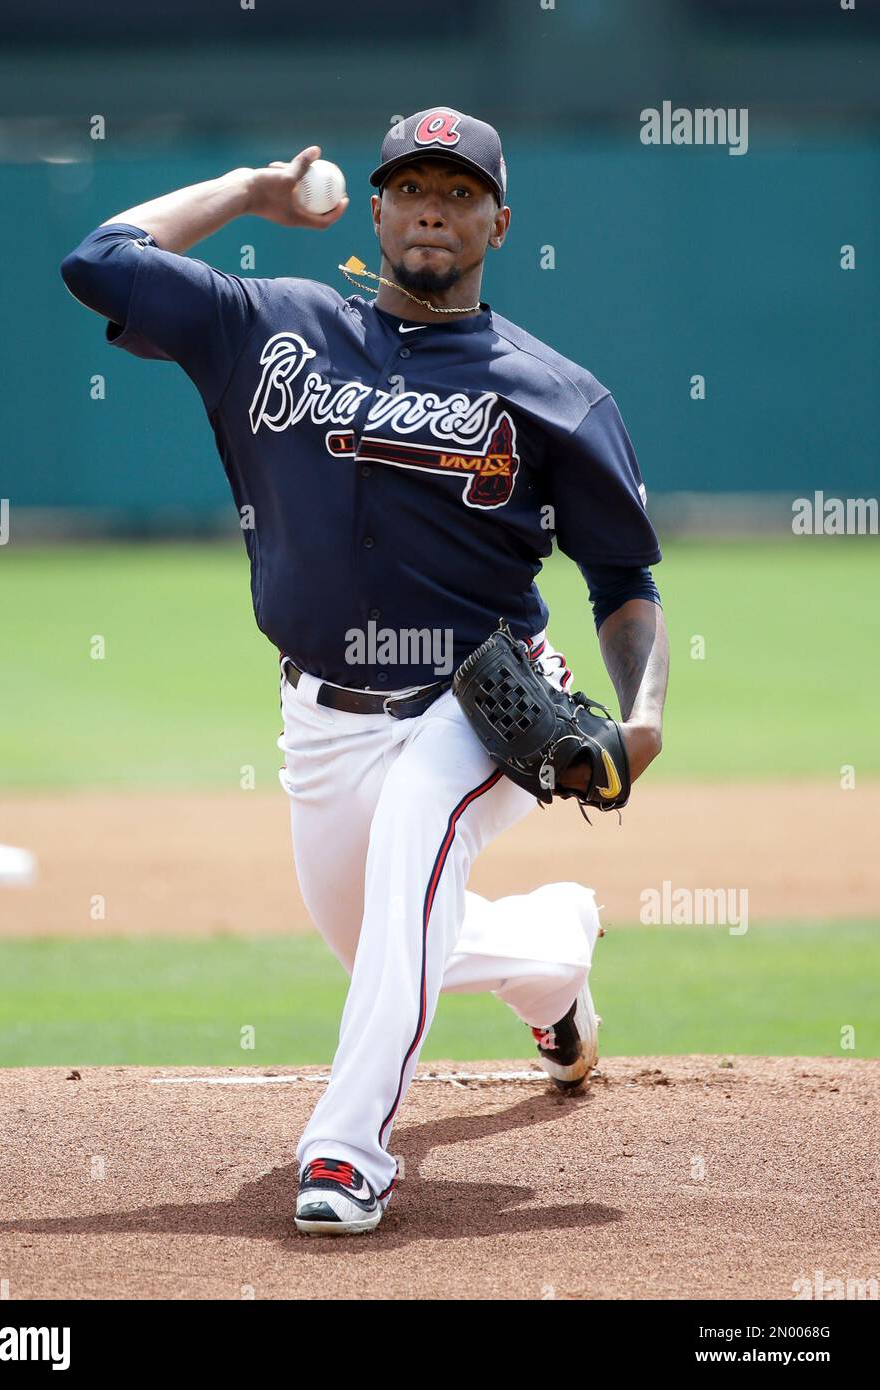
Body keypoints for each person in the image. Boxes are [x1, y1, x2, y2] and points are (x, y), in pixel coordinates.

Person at [61, 106, 669, 1237]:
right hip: (320, 717)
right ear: (377, 208)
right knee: (389, 937)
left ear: (498, 220)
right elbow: (98, 262)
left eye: (458, 188)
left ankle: (345, 1151)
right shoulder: (271, 323)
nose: (433, 203)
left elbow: (625, 579)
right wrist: (250, 187)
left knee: (409, 863)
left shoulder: (553, 390)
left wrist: (643, 714)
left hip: (478, 702)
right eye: (411, 184)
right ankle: (552, 954)